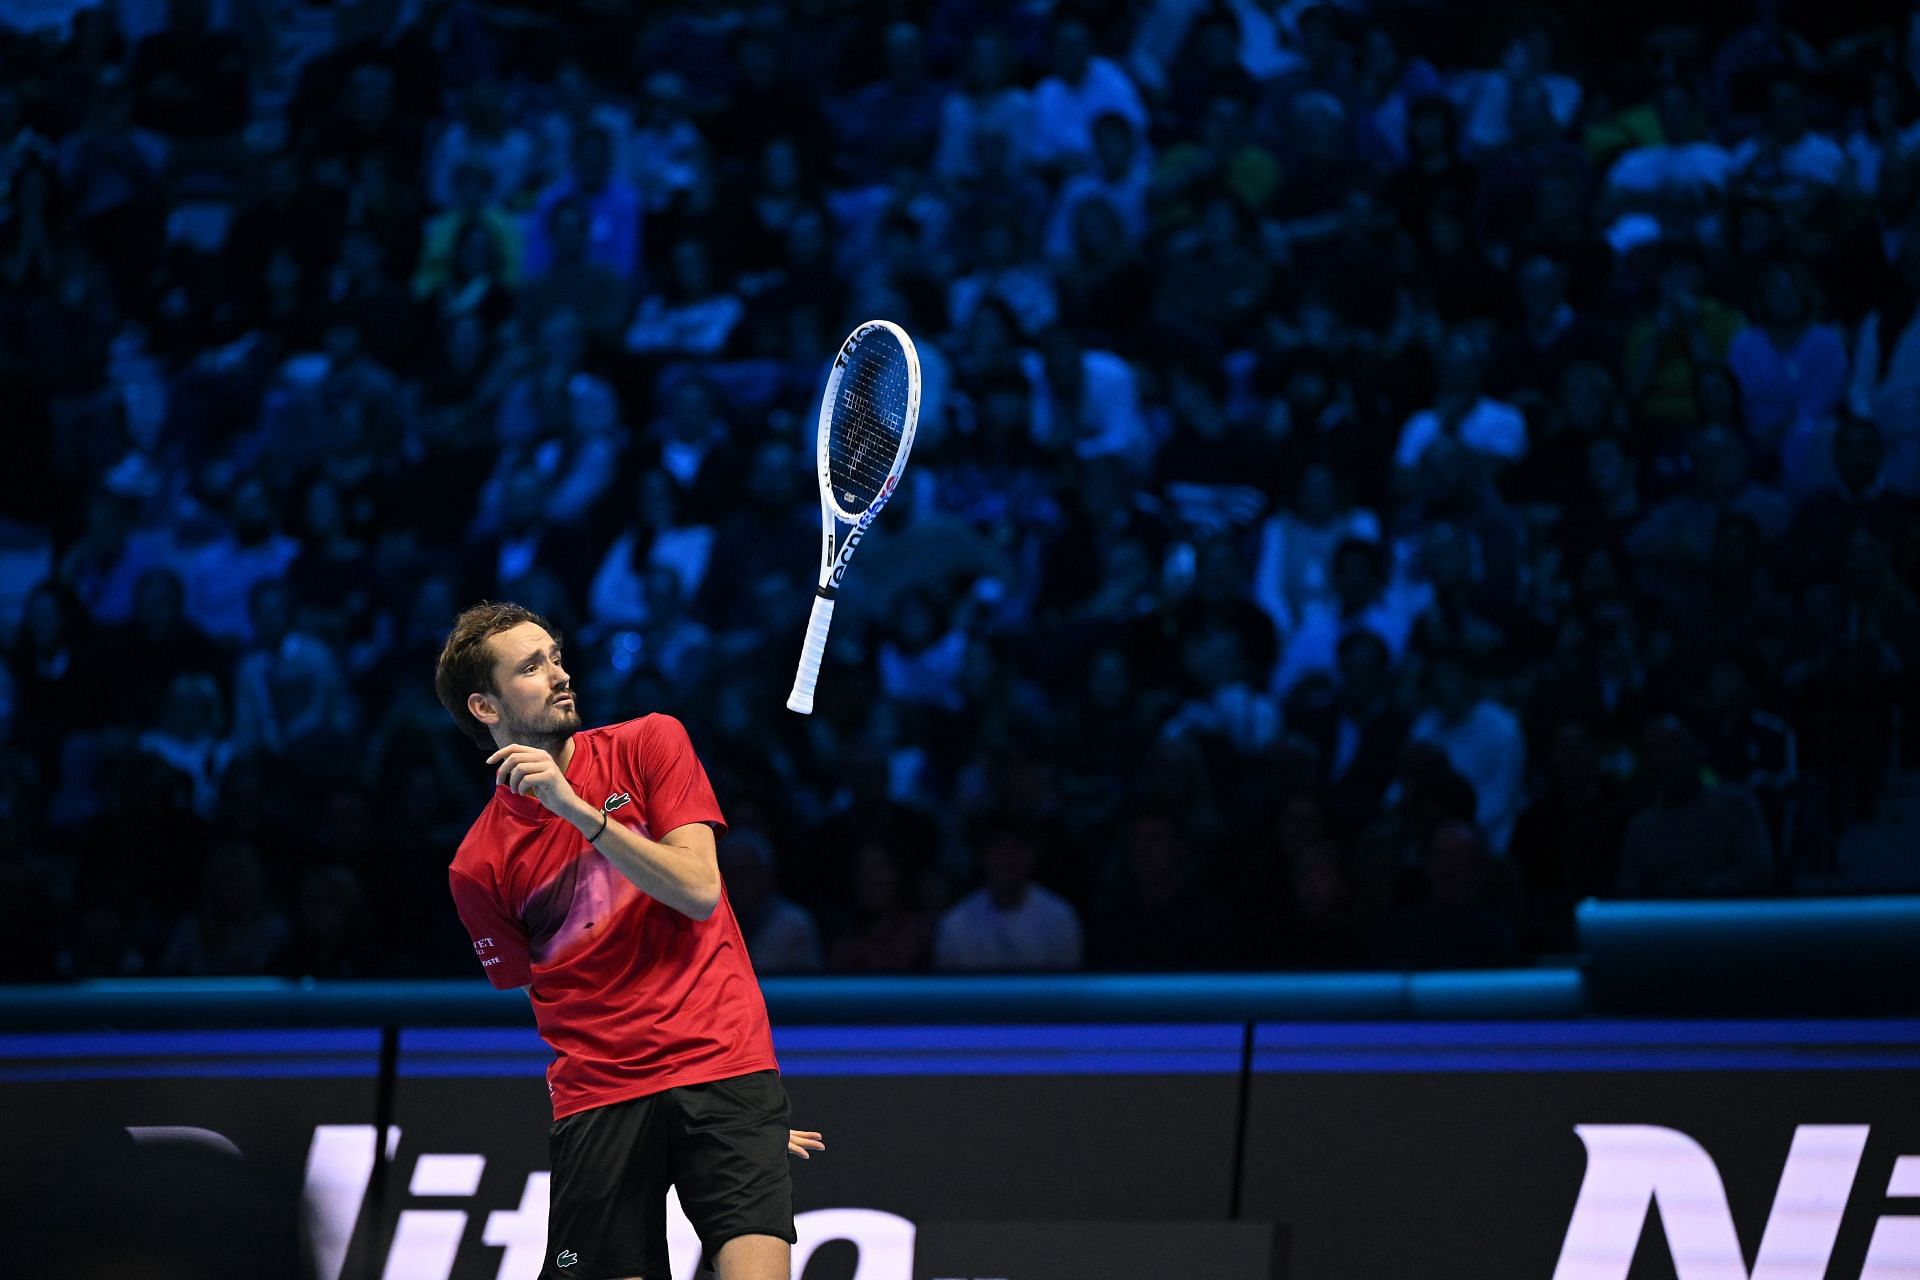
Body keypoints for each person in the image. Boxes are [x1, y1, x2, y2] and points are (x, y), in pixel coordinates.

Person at [434, 601, 822, 1280]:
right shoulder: (477, 863)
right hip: (602, 1098)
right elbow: (545, 989)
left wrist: (577, 812)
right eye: (531, 667)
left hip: (723, 1066)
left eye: (555, 656)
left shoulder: (649, 744)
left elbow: (698, 889)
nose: (559, 674)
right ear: (485, 706)